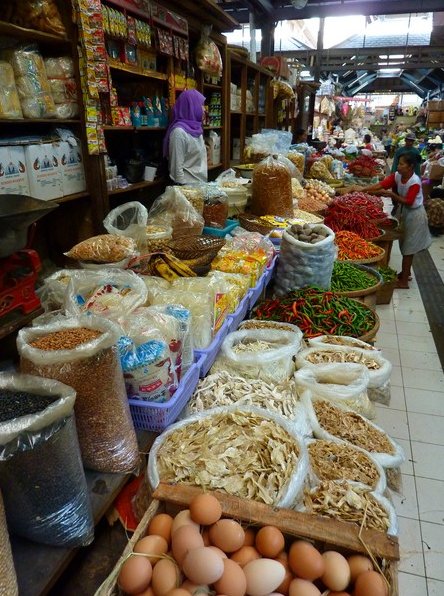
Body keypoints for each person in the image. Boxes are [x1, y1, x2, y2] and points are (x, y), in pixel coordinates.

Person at [360, 152, 432, 289]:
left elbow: (410, 202)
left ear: (410, 167)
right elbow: (381, 185)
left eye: (401, 164)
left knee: (408, 248)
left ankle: (404, 281)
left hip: (415, 214)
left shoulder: (415, 181)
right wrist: (363, 190)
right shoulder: (398, 176)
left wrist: (391, 194)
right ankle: (406, 273)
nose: (398, 166)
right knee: (405, 243)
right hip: (405, 212)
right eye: (398, 163)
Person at [162, 89, 208, 185]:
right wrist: (187, 193)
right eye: (201, 105)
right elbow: (176, 172)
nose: (204, 109)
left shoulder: (197, 130)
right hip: (187, 190)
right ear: (190, 107)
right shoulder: (179, 133)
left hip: (200, 186)